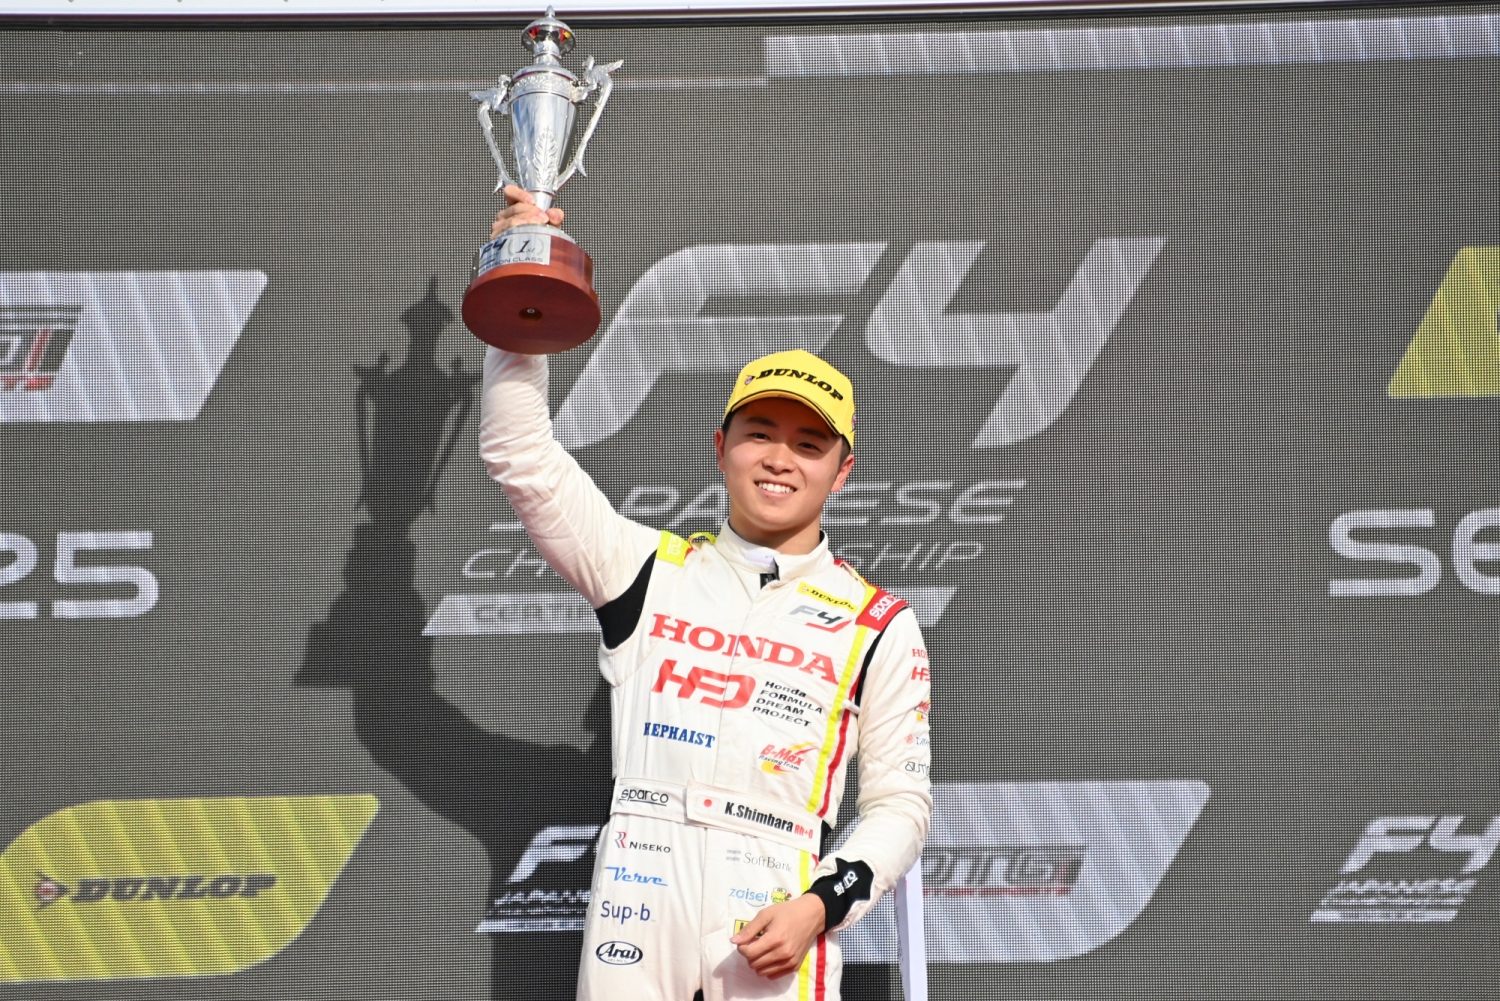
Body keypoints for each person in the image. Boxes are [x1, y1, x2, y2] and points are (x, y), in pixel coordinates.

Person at [479, 186, 931, 1001]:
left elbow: (902, 806)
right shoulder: (644, 567)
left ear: (842, 470)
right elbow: (520, 453)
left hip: (777, 896)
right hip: (640, 879)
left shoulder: (879, 624)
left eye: (809, 443)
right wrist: (524, 285)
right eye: (760, 433)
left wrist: (820, 904)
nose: (780, 458)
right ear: (721, 446)